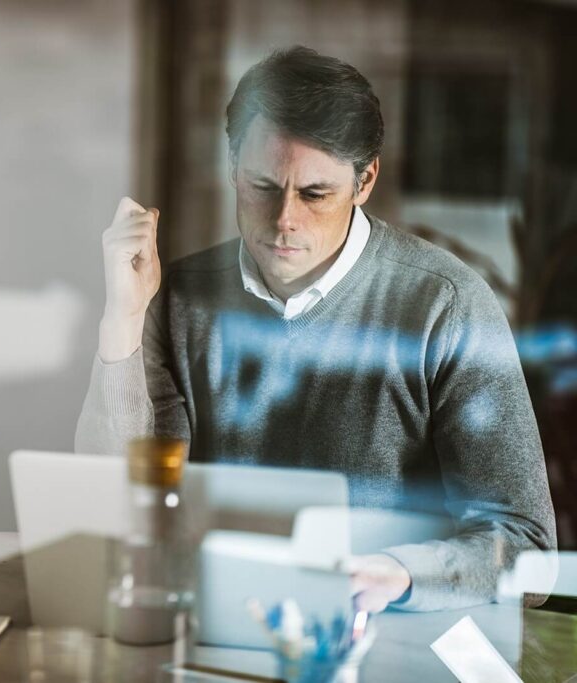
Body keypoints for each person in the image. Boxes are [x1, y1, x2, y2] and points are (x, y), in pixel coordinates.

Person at [75, 46, 556, 612]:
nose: (284, 220)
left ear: (365, 180)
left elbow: (528, 552)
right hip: (218, 621)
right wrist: (124, 323)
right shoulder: (178, 298)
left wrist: (401, 575)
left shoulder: (446, 306)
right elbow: (121, 507)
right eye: (262, 185)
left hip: (389, 632)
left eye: (315, 194)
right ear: (233, 167)